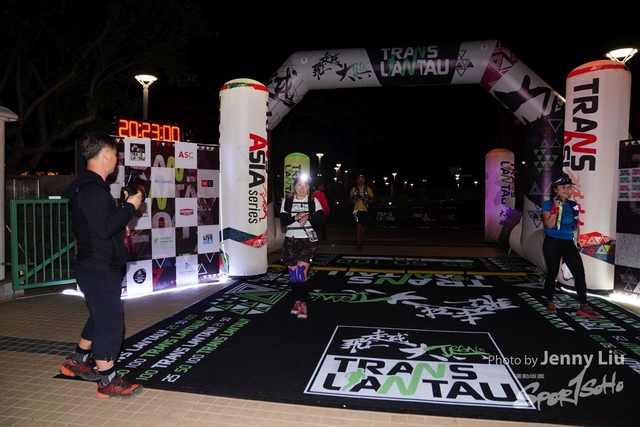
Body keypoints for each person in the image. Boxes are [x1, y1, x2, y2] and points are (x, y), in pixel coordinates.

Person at [60, 132, 145, 398]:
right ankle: (107, 381)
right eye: (116, 155)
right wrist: (130, 208)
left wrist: (123, 206)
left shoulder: (91, 188)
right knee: (110, 321)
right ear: (106, 154)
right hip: (98, 266)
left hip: (97, 265)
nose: (117, 161)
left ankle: (76, 361)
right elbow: (107, 228)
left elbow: (101, 224)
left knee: (99, 314)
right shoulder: (92, 189)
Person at [541, 173, 601, 319]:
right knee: (552, 273)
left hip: (568, 242)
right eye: (563, 187)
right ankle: (550, 302)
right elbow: (549, 224)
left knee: (579, 274)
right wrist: (556, 208)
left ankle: (584, 306)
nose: (567, 190)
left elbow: (576, 224)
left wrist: (577, 239)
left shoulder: (573, 205)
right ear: (555, 189)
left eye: (569, 187)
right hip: (552, 242)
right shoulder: (548, 204)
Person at [280, 174, 325, 319]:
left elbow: (322, 218)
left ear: (309, 187)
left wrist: (308, 216)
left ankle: (304, 304)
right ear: (294, 186)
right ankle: (297, 302)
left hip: (307, 241)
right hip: (291, 240)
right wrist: (296, 217)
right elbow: (283, 221)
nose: (302, 188)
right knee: (293, 275)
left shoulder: (313, 201)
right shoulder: (287, 201)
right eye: (299, 185)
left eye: (305, 185)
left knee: (301, 273)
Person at [350, 173, 374, 251]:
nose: (360, 181)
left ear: (364, 180)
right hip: (357, 210)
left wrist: (367, 202)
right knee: (358, 227)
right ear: (357, 180)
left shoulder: (368, 189)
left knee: (363, 228)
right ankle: (358, 244)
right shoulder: (354, 189)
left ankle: (361, 241)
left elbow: (372, 199)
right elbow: (350, 197)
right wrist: (353, 201)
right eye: (359, 179)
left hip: (365, 210)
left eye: (362, 179)